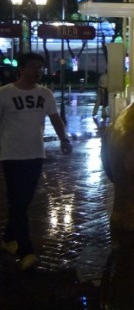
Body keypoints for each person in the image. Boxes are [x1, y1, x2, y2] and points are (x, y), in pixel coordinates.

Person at [0, 52, 72, 271]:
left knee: (23, 202)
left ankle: (8, 238)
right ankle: (26, 250)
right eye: (32, 67)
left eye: (40, 67)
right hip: (11, 155)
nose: (37, 71)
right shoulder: (4, 94)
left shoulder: (46, 94)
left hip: (35, 154)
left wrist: (63, 139)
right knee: (18, 202)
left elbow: (55, 118)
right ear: (20, 69)